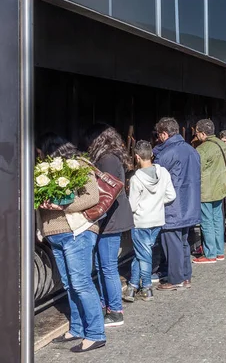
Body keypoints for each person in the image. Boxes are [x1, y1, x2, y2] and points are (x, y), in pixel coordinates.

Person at [37, 133, 106, 353]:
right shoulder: (44, 172)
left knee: (81, 283)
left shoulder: (79, 166)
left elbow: (91, 196)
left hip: (77, 232)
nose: (38, 157)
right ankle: (77, 328)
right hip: (55, 235)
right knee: (69, 284)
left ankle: (95, 333)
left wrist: (63, 206)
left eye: (40, 152)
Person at [83, 124, 134, 327]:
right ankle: (108, 306)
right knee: (102, 265)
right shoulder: (111, 158)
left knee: (107, 266)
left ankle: (115, 310)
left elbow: (106, 192)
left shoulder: (107, 160)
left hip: (110, 219)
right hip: (111, 217)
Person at [123, 141, 176, 303]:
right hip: (157, 219)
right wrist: (158, 202)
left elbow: (132, 205)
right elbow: (171, 195)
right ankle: (132, 287)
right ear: (151, 154)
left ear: (137, 157)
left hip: (141, 221)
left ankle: (146, 288)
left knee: (143, 255)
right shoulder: (164, 172)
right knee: (143, 254)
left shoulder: (136, 179)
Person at [152, 117, 201, 290]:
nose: (158, 139)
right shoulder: (192, 150)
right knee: (184, 242)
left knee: (171, 243)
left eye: (159, 135)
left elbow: (154, 178)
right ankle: (186, 277)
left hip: (172, 205)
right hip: (190, 203)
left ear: (164, 134)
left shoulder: (166, 154)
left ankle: (175, 279)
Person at [193, 119, 226, 264]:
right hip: (220, 187)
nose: (196, 135)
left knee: (206, 221)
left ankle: (210, 254)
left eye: (197, 132)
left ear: (203, 133)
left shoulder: (202, 149)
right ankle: (219, 251)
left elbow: (197, 169)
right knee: (218, 219)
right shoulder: (223, 144)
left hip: (206, 189)